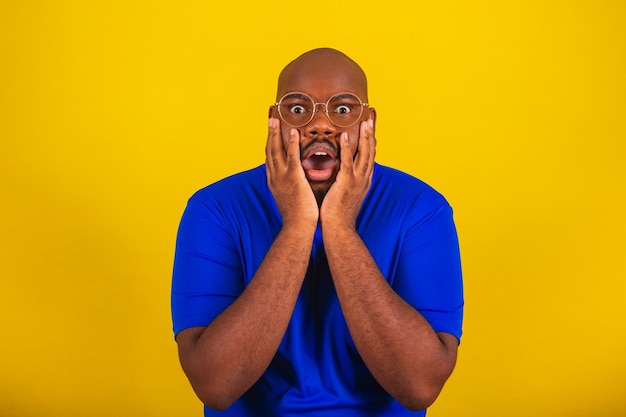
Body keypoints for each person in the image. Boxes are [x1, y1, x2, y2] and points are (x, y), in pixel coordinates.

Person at [171, 48, 464, 417]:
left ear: (369, 122)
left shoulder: (421, 209)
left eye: (343, 110)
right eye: (298, 109)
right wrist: (297, 226)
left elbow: (420, 386)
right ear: (274, 121)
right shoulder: (215, 208)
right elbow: (215, 386)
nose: (320, 125)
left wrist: (339, 228)